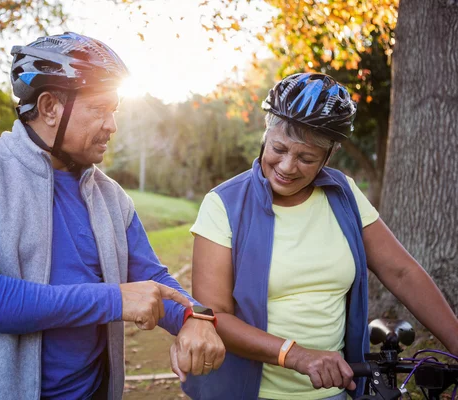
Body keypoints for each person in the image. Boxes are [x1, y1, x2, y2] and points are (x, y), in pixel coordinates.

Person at [0, 32, 225, 400]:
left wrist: (195, 318)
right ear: (50, 107)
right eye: (99, 109)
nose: (112, 125)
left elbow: (152, 278)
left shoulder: (112, 197)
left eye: (115, 110)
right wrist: (113, 300)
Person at [181, 72, 458, 399]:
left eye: (306, 158)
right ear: (265, 135)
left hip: (335, 389)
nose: (286, 166)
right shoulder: (223, 204)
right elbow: (214, 317)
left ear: (328, 156)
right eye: (278, 148)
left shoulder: (345, 195)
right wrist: (297, 355)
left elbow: (402, 271)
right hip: (248, 391)